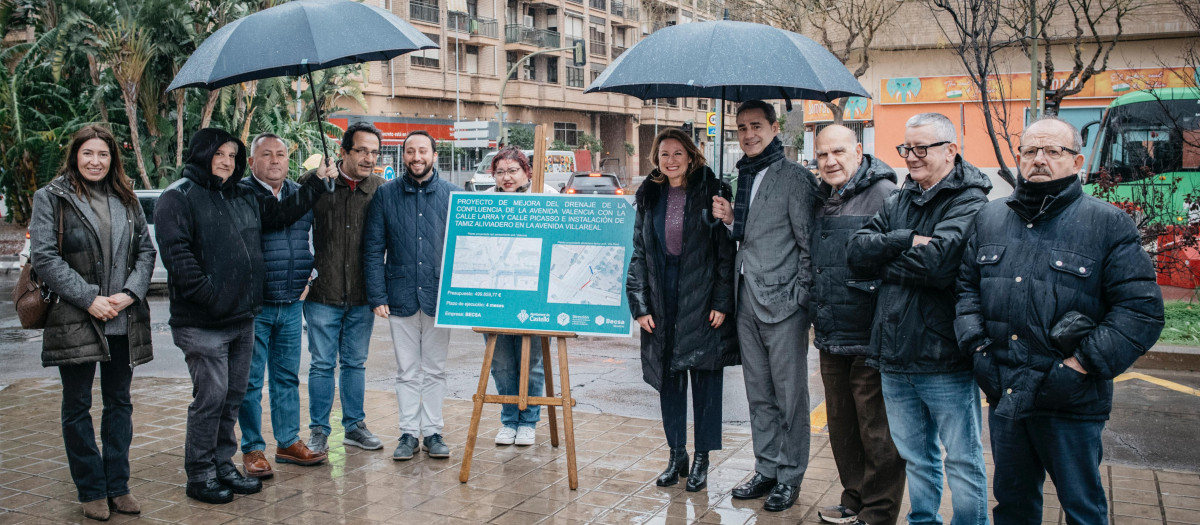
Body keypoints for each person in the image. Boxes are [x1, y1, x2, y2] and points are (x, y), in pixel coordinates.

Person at [956, 117, 1164, 524]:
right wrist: (979, 351)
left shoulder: (1108, 223)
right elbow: (966, 292)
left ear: (1077, 162)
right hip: (1007, 392)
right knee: (1014, 508)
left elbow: (1140, 311)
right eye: (1031, 151)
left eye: (1053, 151)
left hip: (1071, 400)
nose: (1039, 160)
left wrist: (1079, 367)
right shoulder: (990, 218)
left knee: (1082, 510)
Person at [155, 127, 333, 505]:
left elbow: (284, 212)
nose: (226, 161)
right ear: (201, 154)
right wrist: (214, 299)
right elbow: (179, 259)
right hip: (202, 322)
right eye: (219, 154)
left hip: (241, 319)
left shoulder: (241, 195)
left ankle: (223, 465)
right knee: (211, 397)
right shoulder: (178, 197)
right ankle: (200, 474)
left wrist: (317, 183)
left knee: (232, 396)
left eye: (231, 155)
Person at [846, 112, 991, 525]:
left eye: (921, 148)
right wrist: (905, 240)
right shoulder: (900, 199)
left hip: (942, 354)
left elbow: (939, 264)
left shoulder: (970, 200)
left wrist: (884, 261)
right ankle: (923, 521)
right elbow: (856, 253)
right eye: (906, 148)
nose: (911, 157)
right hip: (893, 353)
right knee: (916, 457)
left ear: (951, 150)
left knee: (962, 459)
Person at [29, 125, 156, 521]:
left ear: (112, 158)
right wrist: (89, 299)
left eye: (103, 154)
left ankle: (118, 486)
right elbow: (45, 258)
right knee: (77, 405)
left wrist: (130, 293)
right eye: (88, 154)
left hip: (122, 316)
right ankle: (91, 489)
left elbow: (146, 252)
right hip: (75, 317)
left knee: (119, 403)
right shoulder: (51, 197)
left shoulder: (127, 196)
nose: (96, 161)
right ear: (75, 156)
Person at [710, 100, 818, 512]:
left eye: (756, 126)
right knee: (759, 394)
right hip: (747, 302)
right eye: (741, 128)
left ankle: (791, 476)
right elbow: (752, 235)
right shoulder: (743, 174)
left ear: (775, 129)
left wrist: (799, 299)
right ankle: (767, 467)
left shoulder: (795, 178)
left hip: (784, 304)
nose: (748, 134)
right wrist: (728, 222)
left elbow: (808, 246)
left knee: (790, 396)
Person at [626, 129, 738, 492]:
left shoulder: (712, 191)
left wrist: (722, 301)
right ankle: (677, 454)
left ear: (691, 156)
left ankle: (703, 456)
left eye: (677, 153)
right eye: (664, 154)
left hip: (702, 295)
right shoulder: (650, 195)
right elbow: (639, 253)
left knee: (705, 378)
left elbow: (726, 254)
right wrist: (640, 305)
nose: (670, 160)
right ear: (655, 160)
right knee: (668, 380)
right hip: (662, 295)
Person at [809, 125, 905, 525]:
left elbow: (896, 259)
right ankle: (854, 498)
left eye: (838, 152)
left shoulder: (886, 195)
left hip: (869, 333)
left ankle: (879, 511)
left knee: (876, 431)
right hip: (831, 332)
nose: (830, 161)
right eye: (822, 155)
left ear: (859, 151)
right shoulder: (823, 198)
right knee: (842, 426)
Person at [363, 130, 460, 461]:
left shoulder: (453, 195)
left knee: (434, 369)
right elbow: (374, 248)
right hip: (399, 294)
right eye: (410, 151)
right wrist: (376, 295)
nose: (416, 157)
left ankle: (433, 432)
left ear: (434, 155)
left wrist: (460, 295)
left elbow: (465, 248)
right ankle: (407, 432)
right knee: (406, 370)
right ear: (402, 156)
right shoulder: (386, 194)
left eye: (422, 151)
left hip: (439, 295)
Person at [236, 133, 327, 479]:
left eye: (281, 154)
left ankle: (288, 442)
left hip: (291, 303)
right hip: (255, 306)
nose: (275, 160)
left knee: (287, 377)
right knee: (250, 380)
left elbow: (313, 240)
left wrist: (309, 279)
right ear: (252, 161)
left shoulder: (298, 193)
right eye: (266, 154)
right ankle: (252, 448)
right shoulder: (243, 194)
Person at [301, 122, 387, 454]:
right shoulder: (315, 183)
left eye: (375, 152)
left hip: (363, 296)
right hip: (322, 292)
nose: (369, 158)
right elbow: (292, 228)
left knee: (355, 362)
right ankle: (319, 430)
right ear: (343, 151)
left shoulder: (381, 188)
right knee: (322, 363)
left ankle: (354, 426)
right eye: (362, 150)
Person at [485, 147, 556, 446]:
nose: (506, 177)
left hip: (535, 296)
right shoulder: (484, 201)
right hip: (496, 294)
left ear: (527, 171)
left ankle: (529, 421)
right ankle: (509, 419)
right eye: (500, 171)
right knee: (501, 363)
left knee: (533, 362)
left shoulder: (547, 195)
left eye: (513, 170)